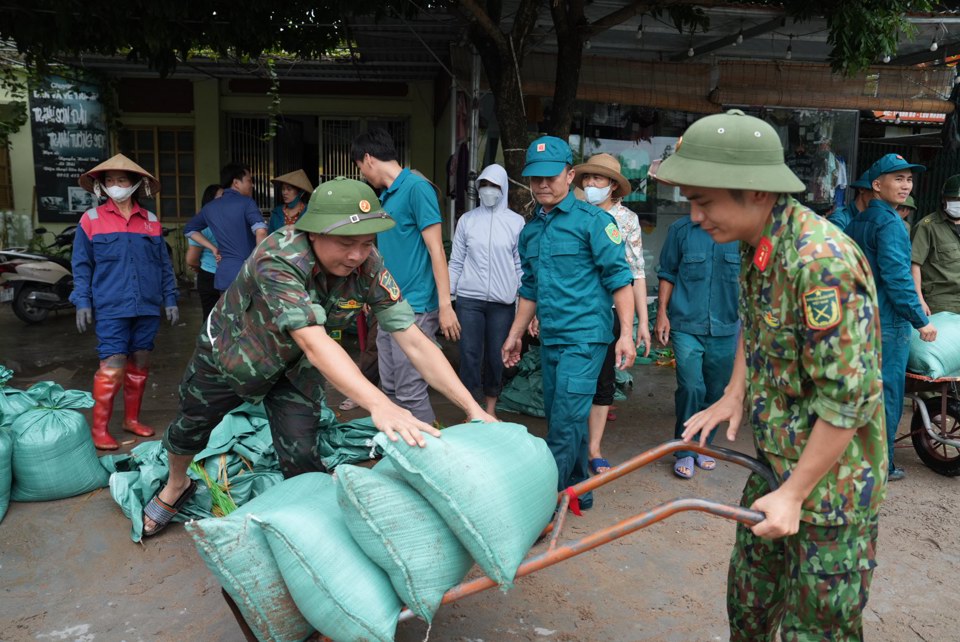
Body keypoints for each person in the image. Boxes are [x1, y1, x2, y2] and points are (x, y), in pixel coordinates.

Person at [141, 178, 495, 537]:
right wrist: (379, 404)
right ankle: (176, 485)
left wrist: (472, 408)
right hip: (234, 355)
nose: (357, 254)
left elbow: (413, 339)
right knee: (190, 428)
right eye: (346, 243)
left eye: (366, 242)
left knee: (303, 451)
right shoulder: (278, 257)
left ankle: (308, 527)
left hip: (297, 368)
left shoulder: (368, 265)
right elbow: (314, 341)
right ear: (313, 233)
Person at [659, 109, 887, 640]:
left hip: (830, 493)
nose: (695, 217)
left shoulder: (821, 263)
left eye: (703, 201)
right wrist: (734, 393)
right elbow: (757, 325)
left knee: (815, 630)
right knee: (750, 608)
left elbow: (848, 399)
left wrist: (796, 494)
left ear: (756, 192)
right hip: (776, 471)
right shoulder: (754, 246)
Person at [502, 136, 636, 511]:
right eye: (535, 178)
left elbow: (619, 279)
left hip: (586, 339)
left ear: (569, 175)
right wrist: (515, 334)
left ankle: (544, 507)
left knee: (562, 424)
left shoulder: (594, 222)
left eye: (551, 176)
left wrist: (625, 334)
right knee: (563, 416)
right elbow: (529, 288)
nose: (543, 184)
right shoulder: (531, 231)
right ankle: (581, 490)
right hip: (552, 339)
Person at [70, 154, 179, 450]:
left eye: (121, 180)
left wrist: (170, 297)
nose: (114, 186)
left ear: (134, 185)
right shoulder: (91, 220)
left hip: (146, 304)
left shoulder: (151, 221)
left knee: (141, 362)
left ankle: (131, 419)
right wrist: (82, 300)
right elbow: (81, 265)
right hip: (111, 305)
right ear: (101, 187)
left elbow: (163, 265)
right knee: (112, 366)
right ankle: (99, 428)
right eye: (109, 181)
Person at [351, 128, 460, 425]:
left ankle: (434, 456)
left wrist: (445, 305)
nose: (362, 174)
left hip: (417, 307)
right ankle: (406, 455)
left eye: (360, 167)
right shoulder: (385, 197)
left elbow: (437, 249)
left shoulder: (416, 188)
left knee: (411, 391)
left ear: (369, 159)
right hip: (389, 305)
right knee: (391, 389)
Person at [846, 153, 937, 481]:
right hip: (887, 325)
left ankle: (855, 458)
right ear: (876, 184)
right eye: (897, 179)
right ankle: (881, 465)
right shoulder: (891, 224)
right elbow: (898, 278)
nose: (905, 185)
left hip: (859, 321)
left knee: (859, 391)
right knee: (886, 396)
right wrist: (920, 320)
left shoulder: (858, 221)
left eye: (909, 179)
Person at [571, 153, 650, 475]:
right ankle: (571, 443)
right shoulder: (573, 214)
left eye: (598, 179)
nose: (591, 184)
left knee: (604, 379)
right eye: (587, 178)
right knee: (575, 376)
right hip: (576, 307)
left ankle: (594, 447)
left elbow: (636, 273)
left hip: (614, 310)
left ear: (613, 186)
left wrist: (640, 323)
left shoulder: (626, 220)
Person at [655, 215, 739, 479]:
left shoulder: (740, 231)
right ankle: (685, 450)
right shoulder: (681, 230)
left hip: (726, 326)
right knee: (691, 386)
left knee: (716, 390)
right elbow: (667, 273)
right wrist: (661, 314)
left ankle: (704, 444)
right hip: (686, 323)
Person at [448, 163, 524, 416]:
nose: (489, 190)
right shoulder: (467, 221)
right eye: (485, 185)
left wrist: (525, 301)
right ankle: (471, 410)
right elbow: (456, 261)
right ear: (478, 187)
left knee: (496, 355)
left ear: (504, 188)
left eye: (495, 185)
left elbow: (520, 264)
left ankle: (490, 408)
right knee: (469, 355)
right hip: (469, 300)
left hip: (503, 303)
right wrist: (448, 298)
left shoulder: (516, 222)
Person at [183, 162, 267, 294]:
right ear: (236, 183)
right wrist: (261, 264)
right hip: (247, 274)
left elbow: (189, 229)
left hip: (224, 275)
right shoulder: (247, 203)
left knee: (227, 314)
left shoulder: (210, 207)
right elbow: (261, 232)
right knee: (251, 315)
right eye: (249, 181)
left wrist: (213, 248)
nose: (251, 185)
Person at [911, 174, 960, 316]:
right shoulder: (927, 226)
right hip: (941, 302)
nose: (957, 202)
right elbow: (914, 265)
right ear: (943, 199)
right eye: (953, 199)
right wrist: (918, 299)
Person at [185, 184, 223, 320]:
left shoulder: (202, 223)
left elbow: (191, 260)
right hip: (219, 276)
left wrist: (198, 268)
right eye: (221, 197)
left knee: (210, 321)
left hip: (208, 275)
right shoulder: (203, 223)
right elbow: (192, 259)